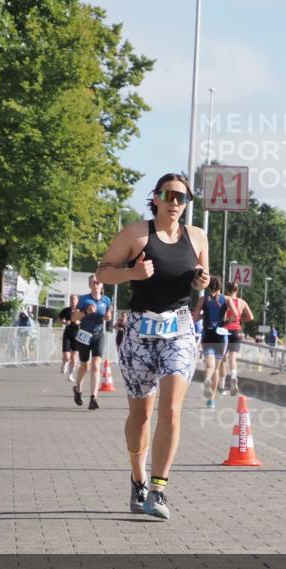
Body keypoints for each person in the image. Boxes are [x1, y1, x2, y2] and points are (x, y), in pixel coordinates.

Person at [95, 172, 209, 520]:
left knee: (171, 409)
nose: (175, 203)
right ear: (156, 197)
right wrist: (131, 274)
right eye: (169, 195)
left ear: (188, 203)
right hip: (139, 331)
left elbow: (201, 279)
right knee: (141, 415)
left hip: (178, 329)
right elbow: (102, 272)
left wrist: (202, 281)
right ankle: (138, 477)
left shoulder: (198, 237)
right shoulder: (136, 233)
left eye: (182, 197)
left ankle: (158, 490)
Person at [72, 276, 112, 411]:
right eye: (93, 282)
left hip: (98, 335)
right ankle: (77, 388)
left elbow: (109, 315)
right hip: (84, 335)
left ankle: (93, 398)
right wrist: (86, 312)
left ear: (102, 285)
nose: (96, 284)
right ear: (89, 284)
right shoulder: (84, 299)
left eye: (98, 282)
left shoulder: (106, 300)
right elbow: (74, 318)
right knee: (85, 365)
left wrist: (108, 317)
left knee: (96, 365)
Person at [193, 277, 228, 409]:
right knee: (217, 369)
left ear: (208, 287)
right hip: (220, 334)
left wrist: (204, 316)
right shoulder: (226, 299)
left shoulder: (203, 299)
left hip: (207, 333)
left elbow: (195, 317)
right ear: (220, 287)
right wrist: (226, 320)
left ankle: (207, 379)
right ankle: (211, 399)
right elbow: (235, 314)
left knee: (209, 366)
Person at [221, 281, 254, 396]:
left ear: (227, 290)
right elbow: (251, 317)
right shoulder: (242, 302)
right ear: (237, 290)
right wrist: (240, 321)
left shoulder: (224, 300)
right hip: (236, 331)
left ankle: (221, 384)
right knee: (233, 358)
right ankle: (233, 377)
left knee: (223, 359)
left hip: (225, 331)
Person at [57, 294, 80, 380]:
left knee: (74, 358)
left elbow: (85, 320)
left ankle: (71, 374)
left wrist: (79, 322)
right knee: (67, 356)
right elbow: (58, 320)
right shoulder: (66, 310)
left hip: (77, 334)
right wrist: (64, 323)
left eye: (74, 299)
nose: (72, 301)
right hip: (68, 334)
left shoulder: (80, 311)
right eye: (71, 299)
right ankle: (65, 362)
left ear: (77, 301)